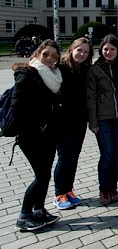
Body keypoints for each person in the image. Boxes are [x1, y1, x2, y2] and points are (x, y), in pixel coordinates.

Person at [11, 40, 63, 231]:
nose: (50, 58)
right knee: (41, 176)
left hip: (48, 133)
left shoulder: (55, 75)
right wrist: (32, 126)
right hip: (30, 135)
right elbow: (18, 107)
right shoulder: (28, 73)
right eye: (46, 54)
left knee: (45, 174)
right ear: (38, 53)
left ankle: (39, 210)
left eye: (54, 56)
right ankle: (23, 216)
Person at [87, 34, 118, 205]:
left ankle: (113, 187)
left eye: (112, 49)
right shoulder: (95, 69)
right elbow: (91, 97)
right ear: (101, 50)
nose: (109, 52)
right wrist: (93, 121)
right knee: (107, 154)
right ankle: (104, 190)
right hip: (103, 118)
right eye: (106, 49)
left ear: (117, 51)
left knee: (117, 155)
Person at [53, 38, 93, 210]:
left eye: (85, 52)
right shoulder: (60, 68)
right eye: (79, 50)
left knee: (74, 156)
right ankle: (59, 194)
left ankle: (68, 190)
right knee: (64, 157)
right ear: (71, 50)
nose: (82, 54)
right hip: (63, 121)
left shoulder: (84, 69)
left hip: (79, 120)